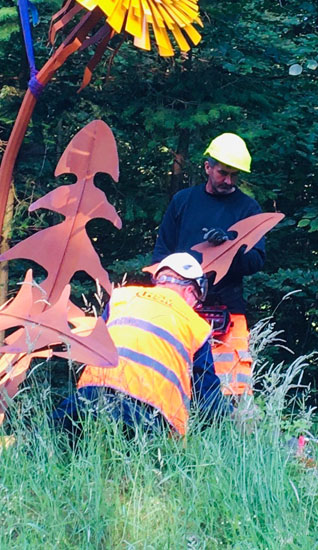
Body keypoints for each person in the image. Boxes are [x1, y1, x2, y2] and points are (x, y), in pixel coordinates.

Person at [54, 253, 230, 439]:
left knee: (56, 446)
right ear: (188, 291)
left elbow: (96, 343)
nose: (195, 307)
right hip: (148, 414)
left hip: (88, 397)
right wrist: (231, 416)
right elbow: (207, 397)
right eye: (197, 300)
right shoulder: (196, 325)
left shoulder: (122, 297)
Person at [152, 132, 265, 396]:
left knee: (232, 392)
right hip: (180, 310)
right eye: (223, 173)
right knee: (174, 387)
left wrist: (230, 249)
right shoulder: (183, 201)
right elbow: (161, 254)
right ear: (207, 167)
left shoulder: (248, 209)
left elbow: (257, 260)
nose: (229, 181)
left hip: (228, 311)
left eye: (234, 175)